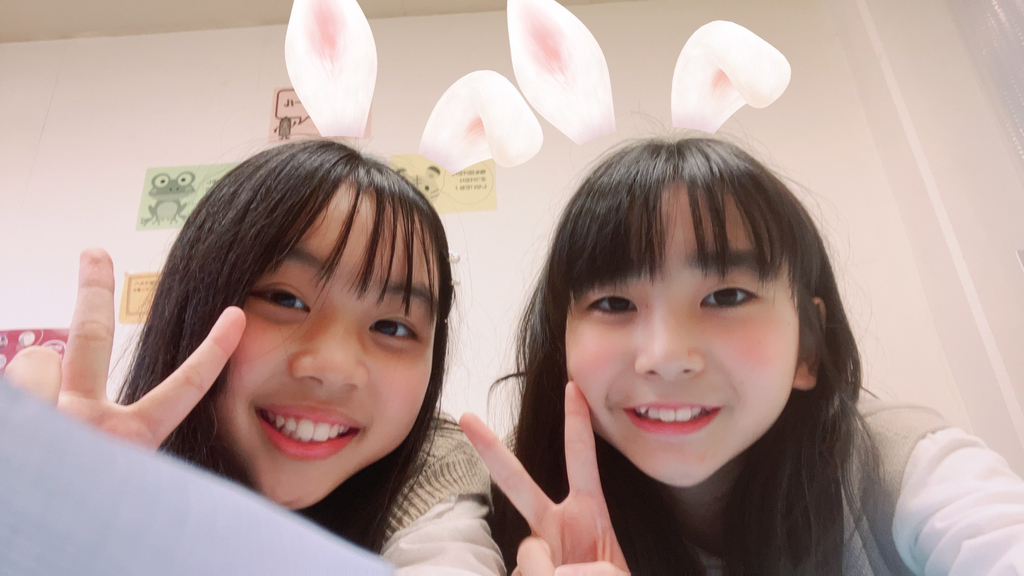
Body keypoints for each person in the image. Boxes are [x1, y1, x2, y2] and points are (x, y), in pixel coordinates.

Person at [461, 137, 1024, 575]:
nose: (665, 357)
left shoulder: (906, 476)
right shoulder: (515, 525)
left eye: (726, 296)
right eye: (613, 302)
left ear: (808, 346)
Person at [8, 139, 503, 575]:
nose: (333, 366)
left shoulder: (429, 466)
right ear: (194, 302)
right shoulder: (109, 457)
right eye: (285, 300)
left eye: (393, 327)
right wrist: (52, 525)